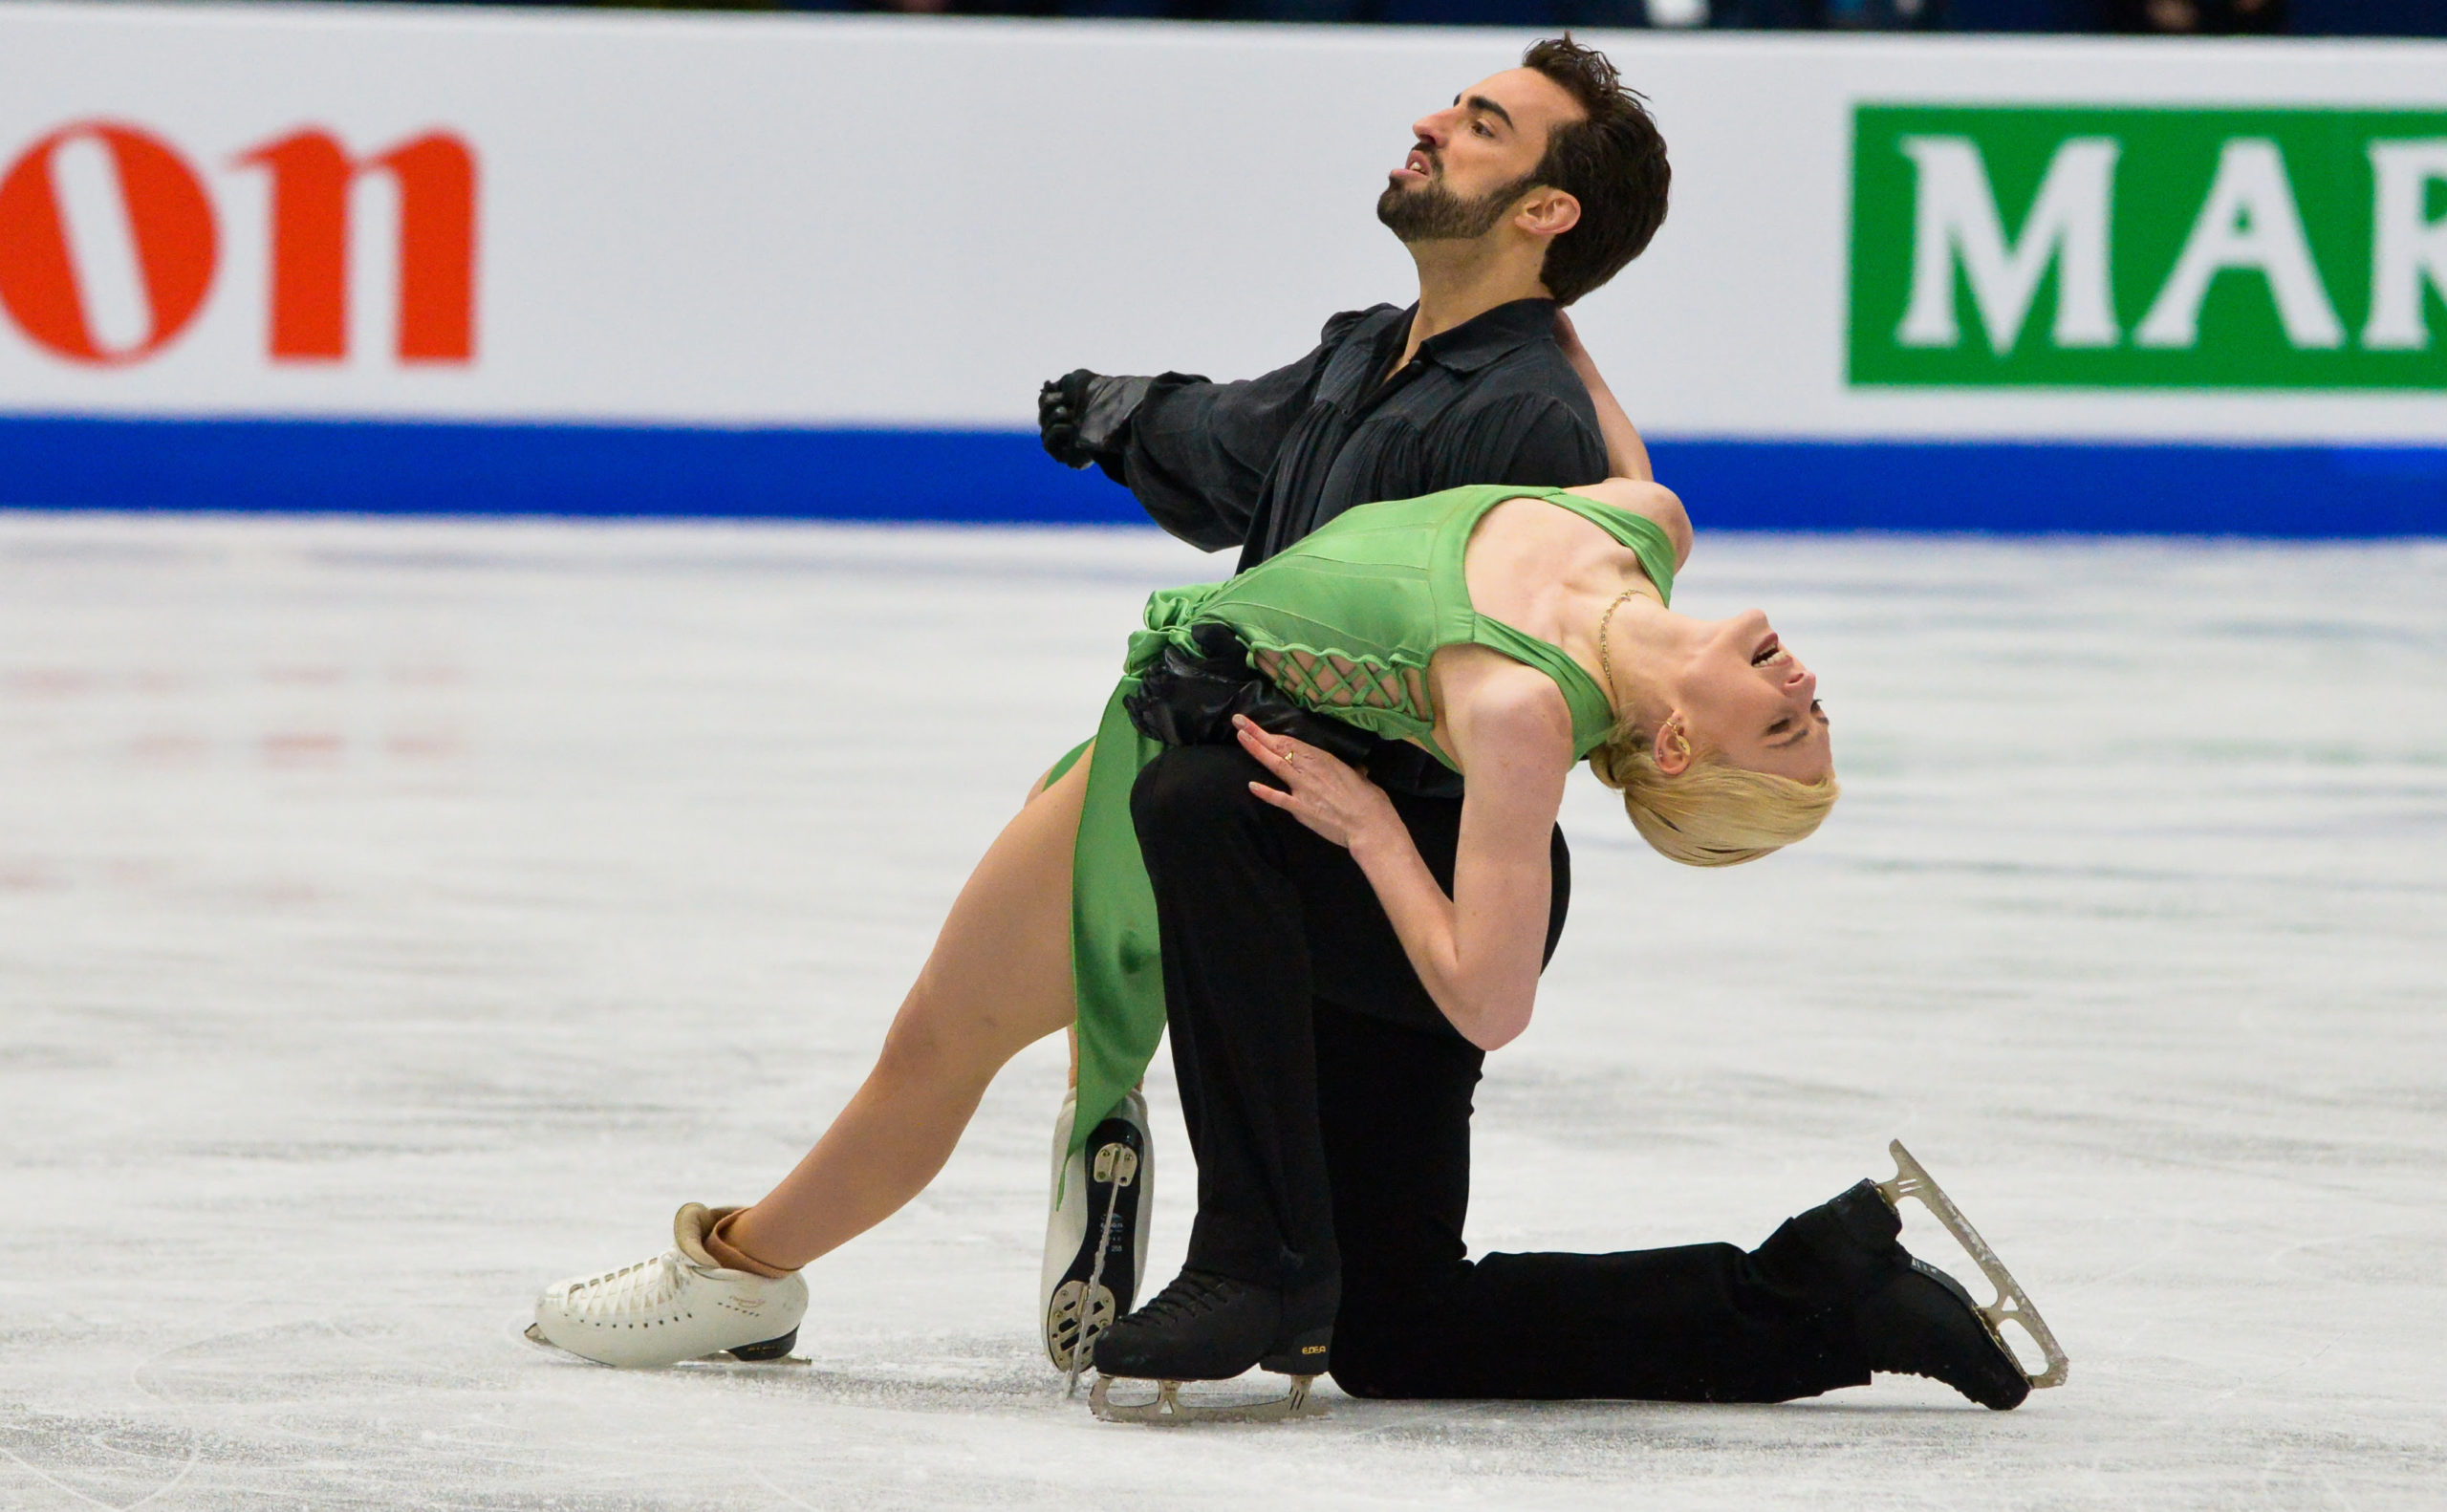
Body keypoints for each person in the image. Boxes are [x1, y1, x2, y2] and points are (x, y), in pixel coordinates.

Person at [1029, 32, 1667, 1365]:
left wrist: (1245, 713)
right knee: (1401, 1324)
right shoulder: (1367, 353)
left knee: (1205, 796)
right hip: (1308, 837)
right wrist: (1119, 412)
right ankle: (1834, 1289)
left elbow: (1467, 689)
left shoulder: (1524, 426)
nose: (1433, 121)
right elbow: (1233, 443)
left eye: (1483, 123)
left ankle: (1251, 1256)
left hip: (1426, 877)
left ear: (1545, 211)